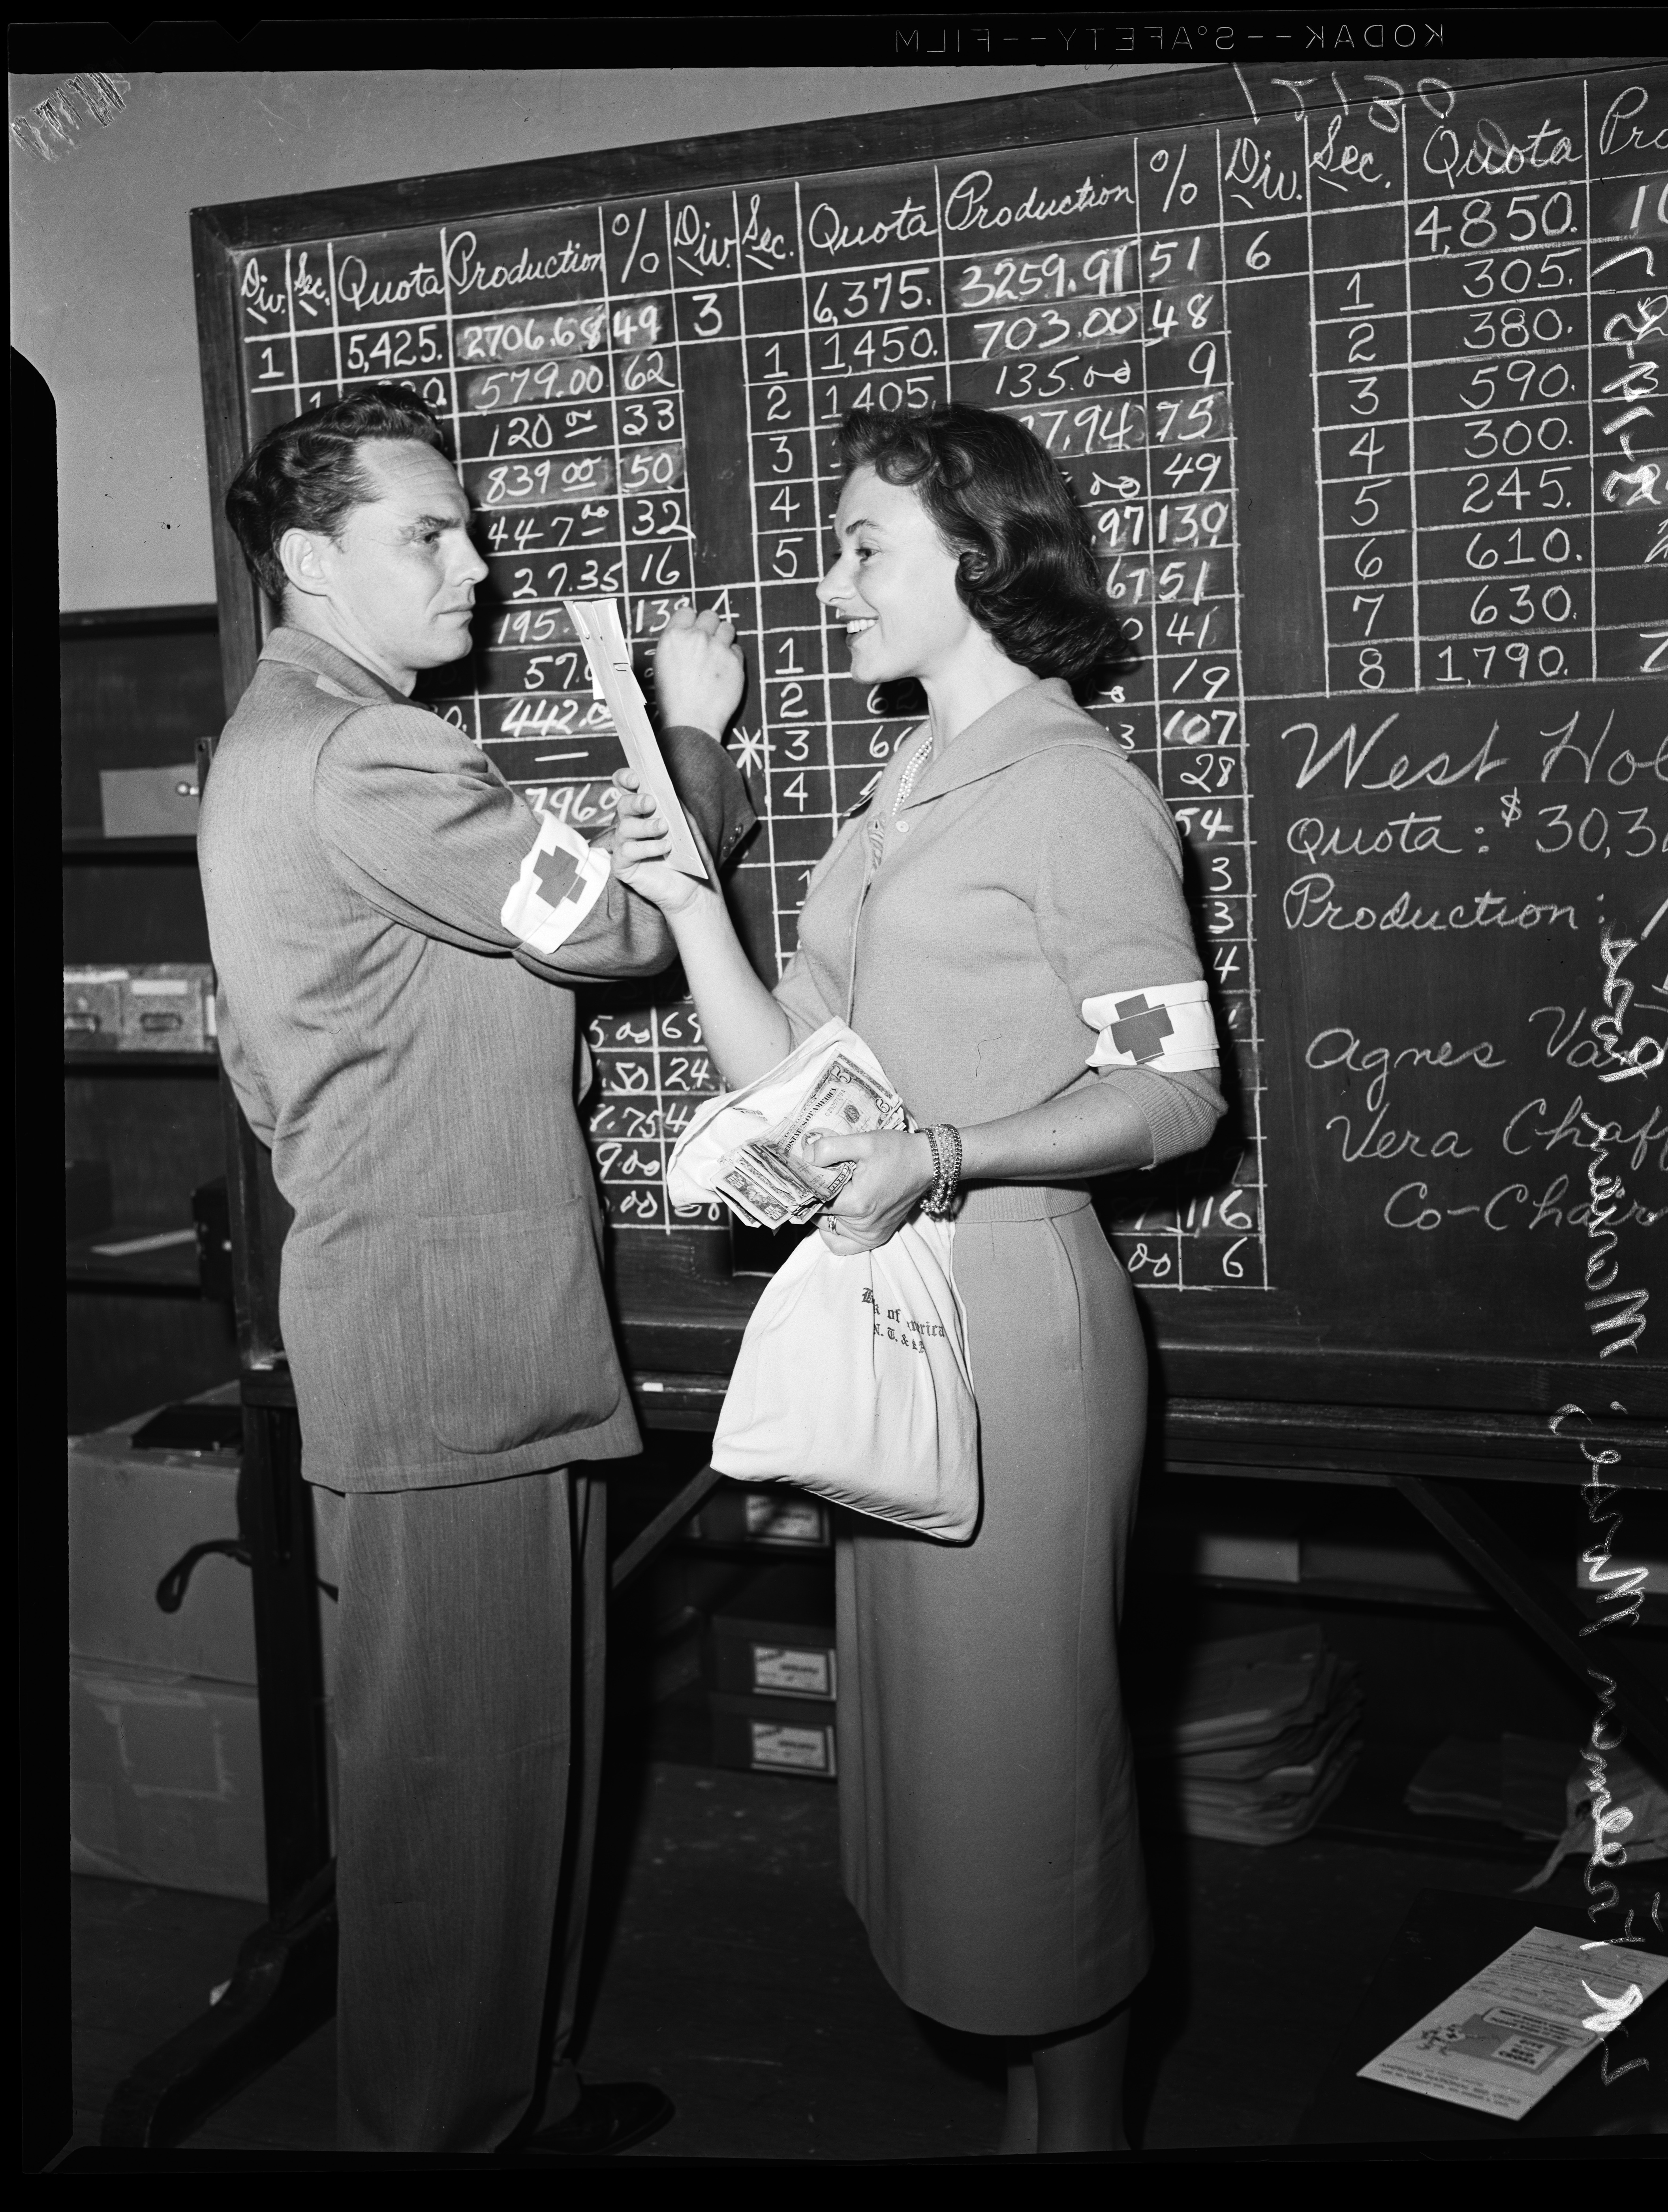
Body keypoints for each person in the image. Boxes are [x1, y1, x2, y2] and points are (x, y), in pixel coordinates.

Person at [610, 403, 1226, 2154]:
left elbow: (1176, 1097)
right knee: (962, 1782)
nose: (827, 582)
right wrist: (698, 910)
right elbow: (796, 1067)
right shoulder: (900, 793)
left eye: (864, 546)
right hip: (904, 1313)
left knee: (1034, 1777)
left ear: (977, 555)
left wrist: (947, 1153)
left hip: (1017, 1320)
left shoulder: (1079, 789)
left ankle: (1081, 2134)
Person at [198, 386, 753, 2156]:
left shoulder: (294, 738)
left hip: (445, 1327)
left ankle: (516, 2098)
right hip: (451, 1347)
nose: (481, 564)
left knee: (518, 1778)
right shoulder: (371, 752)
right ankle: (445, 2131)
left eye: (469, 526)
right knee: (458, 1803)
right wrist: (694, 734)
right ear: (310, 561)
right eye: (426, 536)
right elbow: (618, 926)